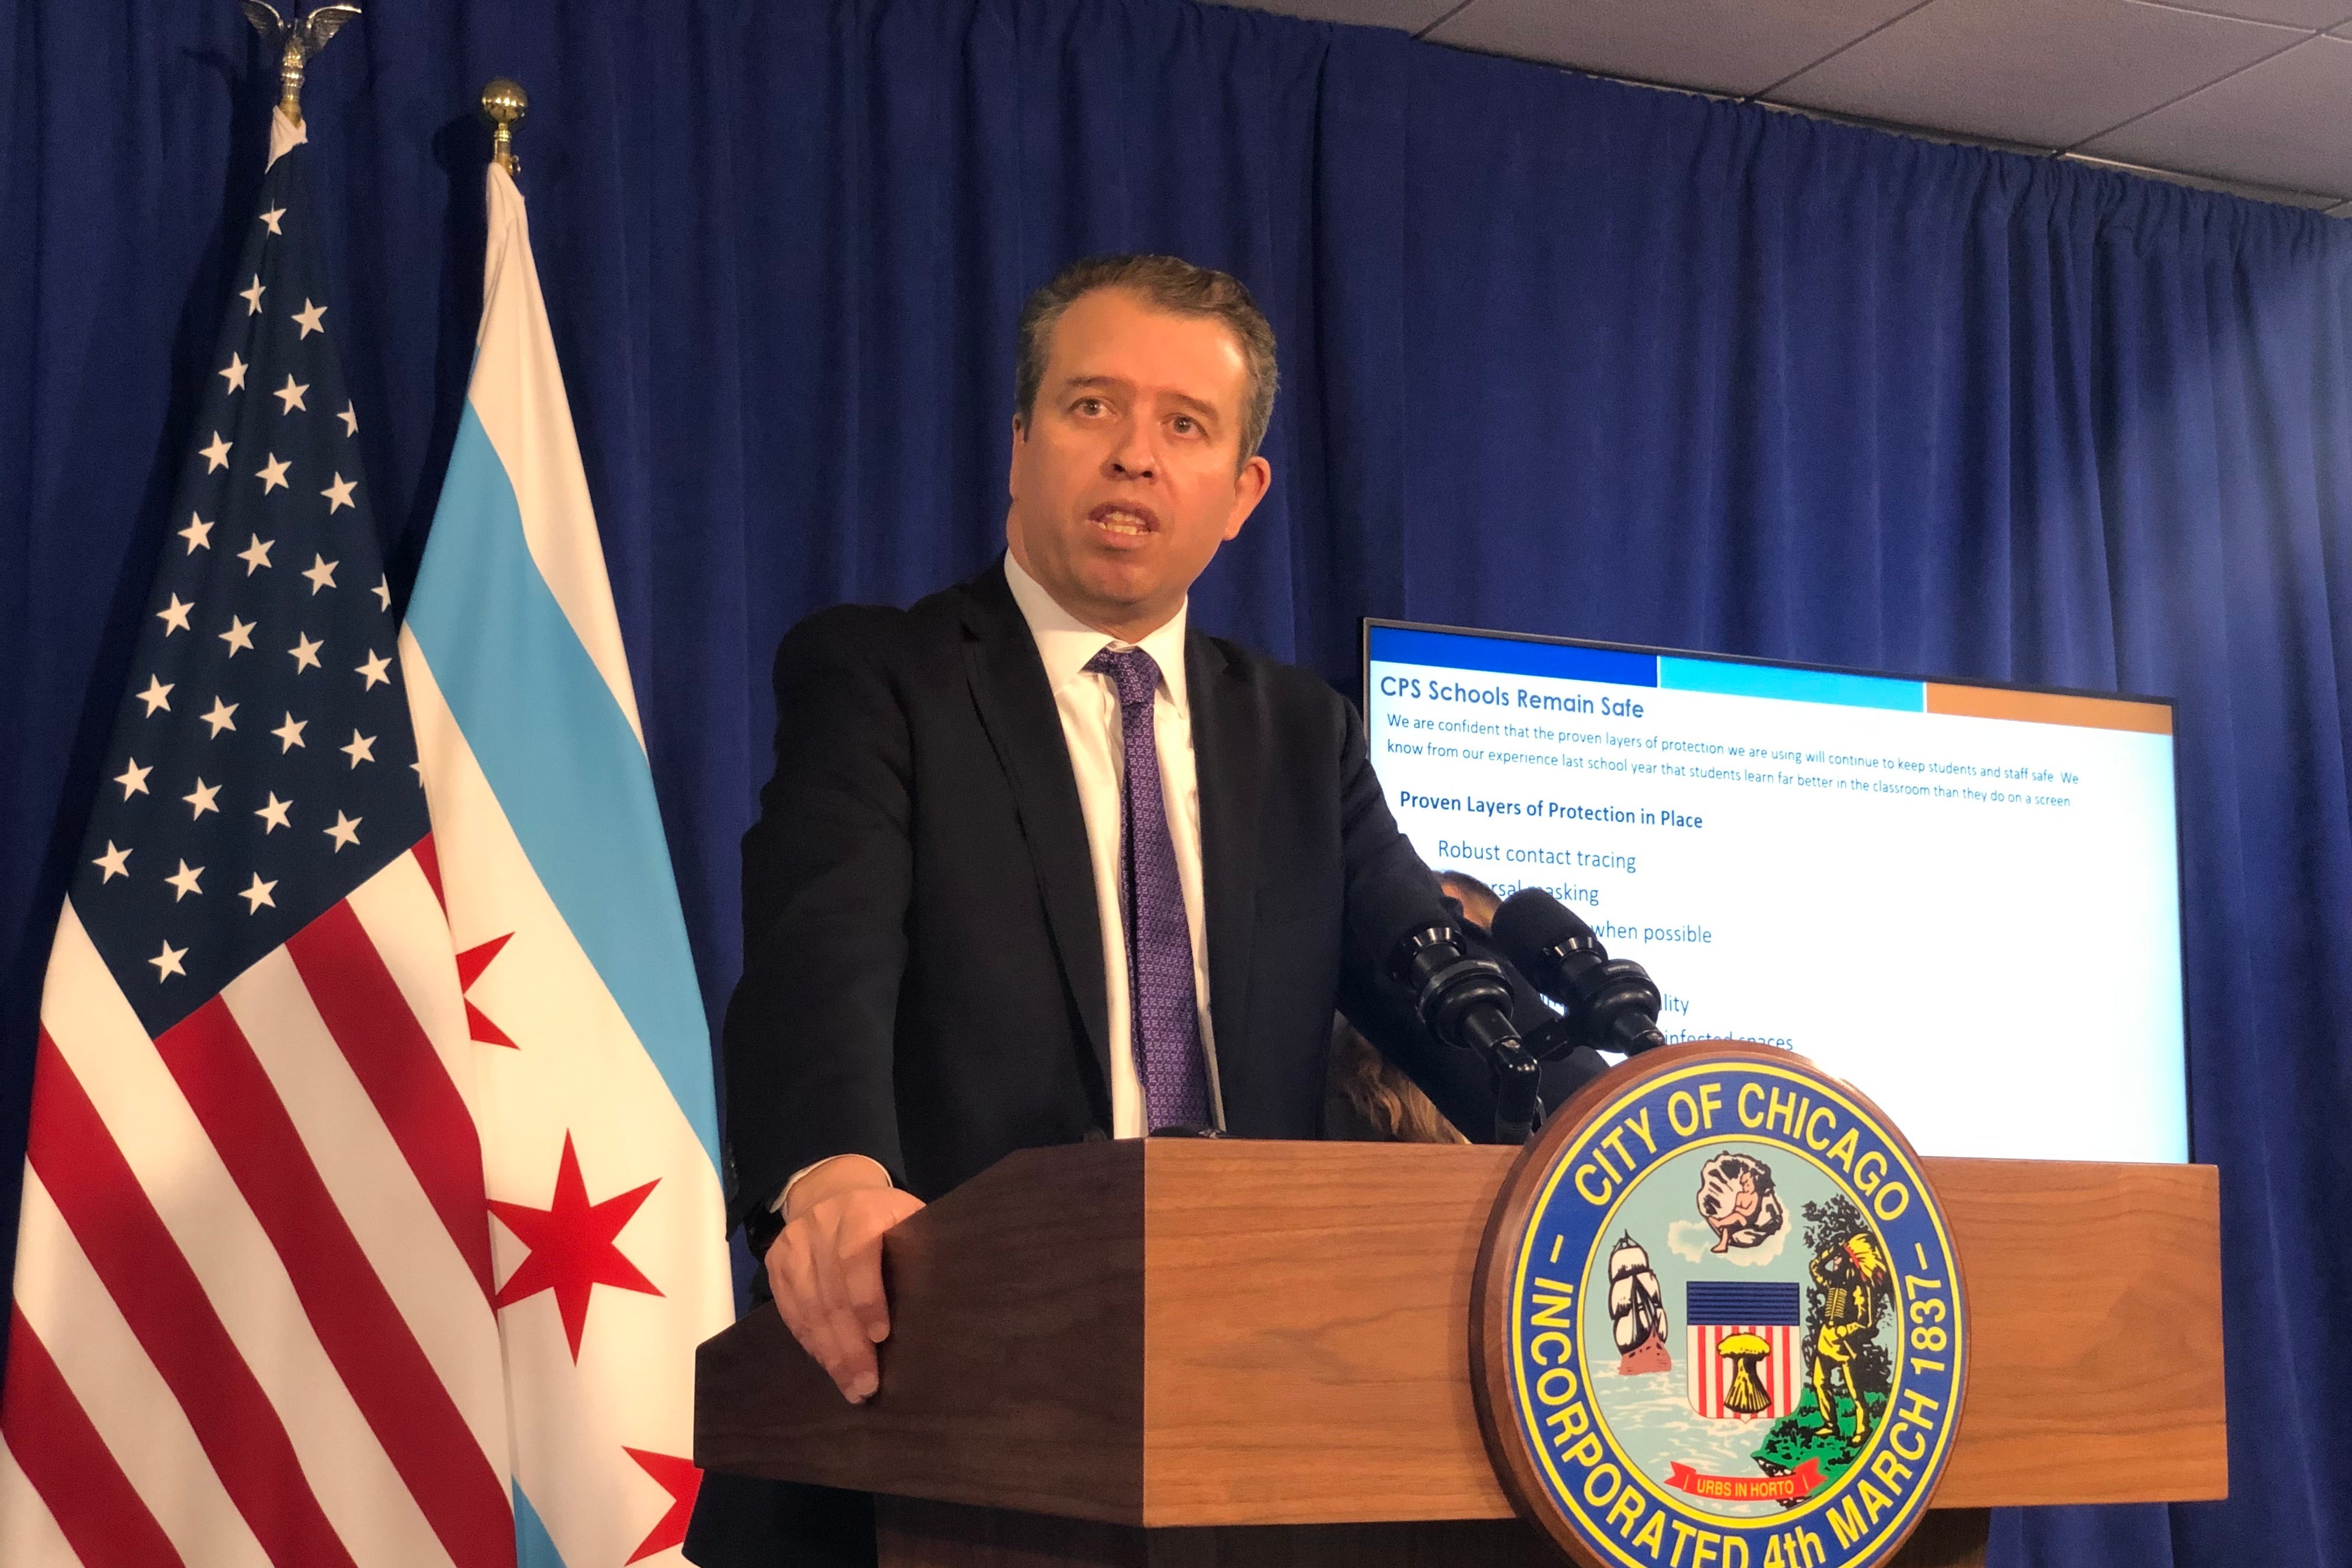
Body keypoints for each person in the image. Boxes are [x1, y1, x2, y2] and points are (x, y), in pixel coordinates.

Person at [688, 255, 1578, 1566]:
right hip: (944, 1414)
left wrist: (1653, 1134)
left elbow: (1438, 986)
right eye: (1093, 406)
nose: (1135, 456)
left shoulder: (1301, 734)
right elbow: (821, 955)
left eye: (1185, 425)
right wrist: (831, 1180)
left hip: (1249, 1427)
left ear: (1243, 493)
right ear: (1020, 442)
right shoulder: (884, 678)